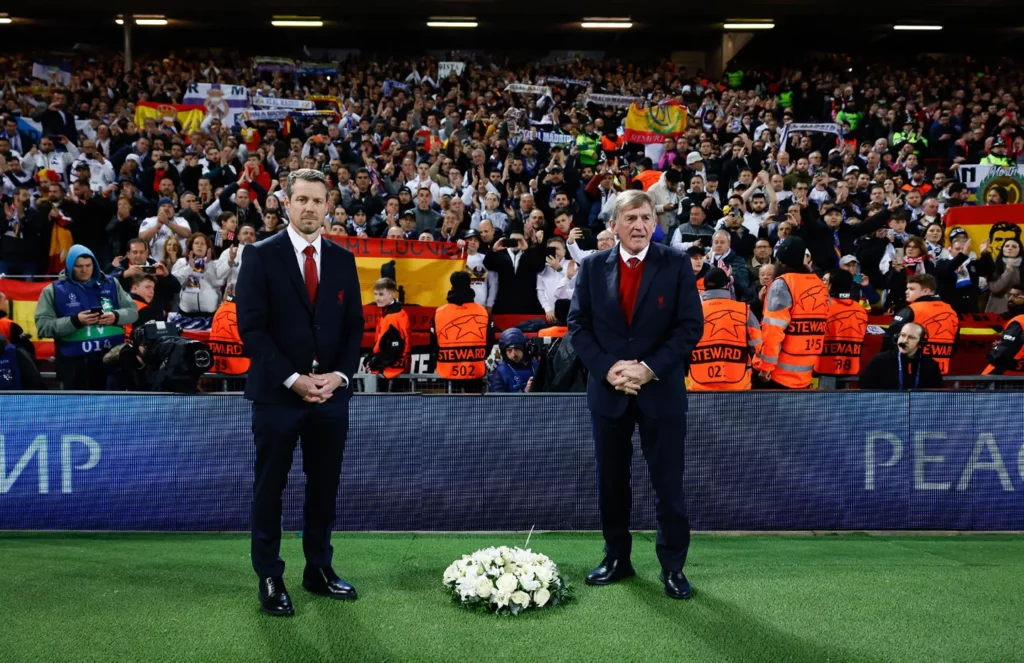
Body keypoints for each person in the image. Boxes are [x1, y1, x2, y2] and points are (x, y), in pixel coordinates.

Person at [235, 168, 365, 617]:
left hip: (330, 397)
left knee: (324, 487)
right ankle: (270, 575)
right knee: (270, 488)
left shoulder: (343, 259)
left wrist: (339, 377)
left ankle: (318, 569)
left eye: (317, 200)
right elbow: (251, 329)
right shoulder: (258, 255)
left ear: (329, 207)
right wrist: (293, 379)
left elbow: (354, 330)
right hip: (277, 396)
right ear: (285, 204)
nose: (309, 207)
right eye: (301, 199)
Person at [568, 189, 703, 600]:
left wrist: (646, 370)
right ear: (614, 225)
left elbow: (689, 328)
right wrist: (610, 369)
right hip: (608, 393)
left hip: (660, 393)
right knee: (611, 482)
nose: (640, 225)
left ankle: (673, 568)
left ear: (655, 223)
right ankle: (617, 558)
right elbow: (578, 328)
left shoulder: (676, 264)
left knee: (669, 486)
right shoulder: (591, 268)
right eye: (630, 219)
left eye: (646, 217)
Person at [34, 244, 138, 390]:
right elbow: (43, 327)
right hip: (73, 366)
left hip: (111, 362)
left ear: (94, 264)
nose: (84, 270)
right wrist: (75, 321)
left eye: (88, 265)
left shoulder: (111, 283)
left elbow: (133, 312)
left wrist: (115, 316)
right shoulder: (53, 290)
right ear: (70, 267)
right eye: (79, 266)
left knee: (110, 409)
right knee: (75, 411)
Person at [756, 236, 830, 389]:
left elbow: (773, 331)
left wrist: (765, 367)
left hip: (779, 375)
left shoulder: (782, 284)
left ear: (781, 261)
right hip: (806, 371)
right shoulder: (819, 284)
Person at [687, 267, 763, 391]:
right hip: (738, 384)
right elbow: (757, 345)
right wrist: (762, 370)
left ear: (705, 286)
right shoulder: (744, 310)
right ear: (726, 285)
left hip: (699, 386)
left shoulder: (692, 311)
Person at [431, 271, 494, 393]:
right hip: (475, 368)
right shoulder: (482, 311)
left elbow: (434, 343)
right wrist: (479, 356)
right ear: (469, 285)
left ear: (452, 286)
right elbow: (490, 340)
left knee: (452, 409)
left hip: (448, 369)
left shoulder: (439, 313)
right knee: (475, 409)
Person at [886, 273, 959, 375]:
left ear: (925, 291)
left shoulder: (912, 310)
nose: (906, 292)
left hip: (911, 369)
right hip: (940, 370)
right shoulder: (951, 311)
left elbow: (891, 339)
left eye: (911, 289)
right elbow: (955, 342)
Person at [814, 270, 868, 377]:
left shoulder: (821, 307)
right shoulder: (861, 310)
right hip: (852, 368)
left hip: (823, 368)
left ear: (830, 286)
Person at [859, 322, 943, 389]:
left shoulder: (930, 365)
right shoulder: (880, 361)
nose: (904, 341)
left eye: (911, 337)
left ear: (921, 343)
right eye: (902, 335)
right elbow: (865, 389)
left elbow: (935, 396)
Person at [366, 277, 411, 392]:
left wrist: (373, 363)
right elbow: (382, 343)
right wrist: (371, 358)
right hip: (390, 372)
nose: (377, 298)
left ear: (391, 295)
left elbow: (394, 350)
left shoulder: (392, 317)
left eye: (381, 294)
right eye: (375, 294)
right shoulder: (390, 314)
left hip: (391, 374)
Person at [982, 286, 1024, 376]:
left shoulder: (1019, 321)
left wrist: (995, 350)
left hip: (1009, 375)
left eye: (1017, 296)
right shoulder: (1008, 318)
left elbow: (1002, 354)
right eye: (1010, 295)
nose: (1011, 299)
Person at [487, 328, 538, 393]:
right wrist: (524, 392)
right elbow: (499, 401)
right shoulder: (499, 373)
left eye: (517, 349)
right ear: (504, 353)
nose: (513, 354)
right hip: (515, 403)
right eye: (509, 350)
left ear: (524, 349)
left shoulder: (536, 366)